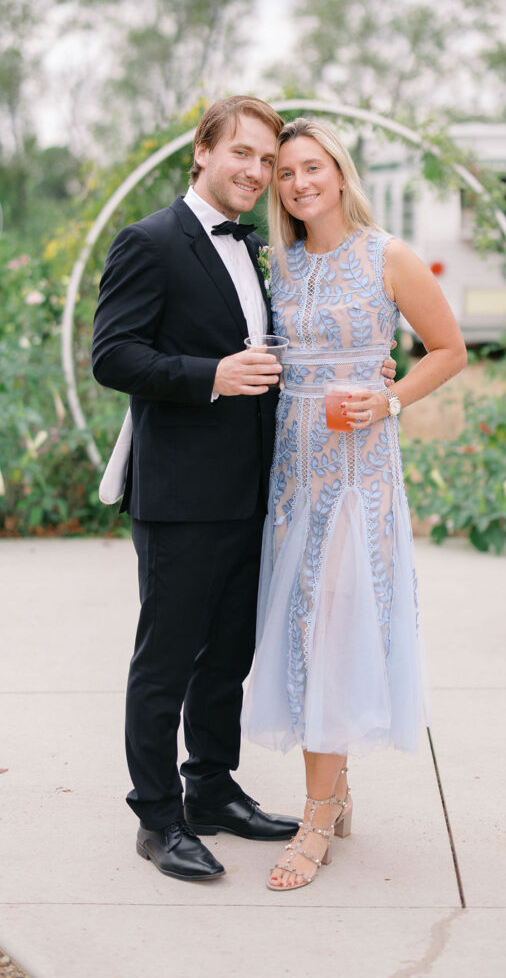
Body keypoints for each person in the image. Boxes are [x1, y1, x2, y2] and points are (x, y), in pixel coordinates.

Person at [91, 95, 399, 882]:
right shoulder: (150, 242)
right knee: (166, 661)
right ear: (202, 152)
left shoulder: (263, 251)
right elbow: (114, 356)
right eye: (245, 156)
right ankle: (158, 818)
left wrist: (375, 373)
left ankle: (212, 789)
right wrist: (212, 377)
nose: (258, 173)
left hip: (258, 492)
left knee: (225, 657)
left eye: (269, 161)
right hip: (181, 496)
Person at [241, 118, 467, 891]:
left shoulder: (387, 254)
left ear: (339, 173)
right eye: (286, 174)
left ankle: (313, 822)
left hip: (358, 472)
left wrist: (391, 401)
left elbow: (450, 349)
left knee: (327, 628)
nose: (300, 183)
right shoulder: (282, 264)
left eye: (313, 168)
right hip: (291, 472)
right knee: (303, 626)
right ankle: (333, 794)